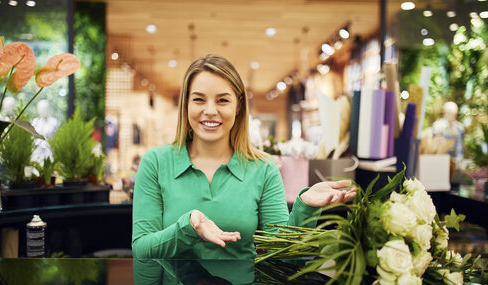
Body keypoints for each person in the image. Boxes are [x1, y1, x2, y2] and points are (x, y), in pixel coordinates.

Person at [132, 54, 356, 260]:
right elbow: (142, 248)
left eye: (222, 100)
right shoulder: (155, 163)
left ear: (238, 105)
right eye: (199, 99)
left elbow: (282, 253)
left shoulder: (264, 168)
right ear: (186, 104)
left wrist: (305, 207)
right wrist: (187, 228)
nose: (210, 110)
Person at [31, 99, 59, 164]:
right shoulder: (35, 122)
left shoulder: (54, 122)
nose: (43, 110)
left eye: (45, 108)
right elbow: (32, 139)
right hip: (36, 153)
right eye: (41, 108)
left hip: (50, 153)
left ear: (48, 109)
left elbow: (57, 140)